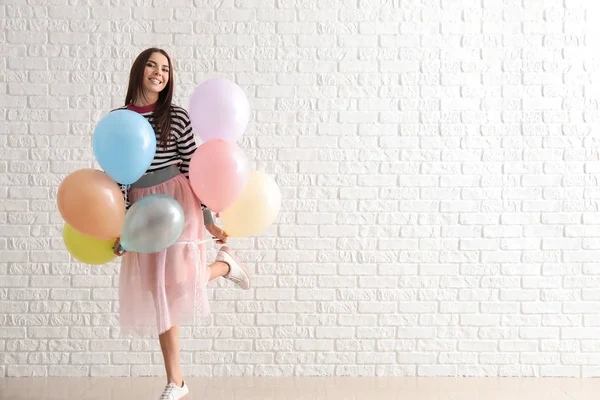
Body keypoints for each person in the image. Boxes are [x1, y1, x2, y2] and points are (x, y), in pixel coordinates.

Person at [111, 47, 252, 400]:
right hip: (142, 207)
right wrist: (123, 228)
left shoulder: (176, 116)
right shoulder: (119, 118)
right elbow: (117, 176)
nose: (159, 73)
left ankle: (222, 266)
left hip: (177, 199)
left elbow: (193, 166)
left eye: (165, 69)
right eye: (151, 66)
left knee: (174, 284)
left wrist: (206, 216)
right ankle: (177, 382)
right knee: (158, 291)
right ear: (138, 71)